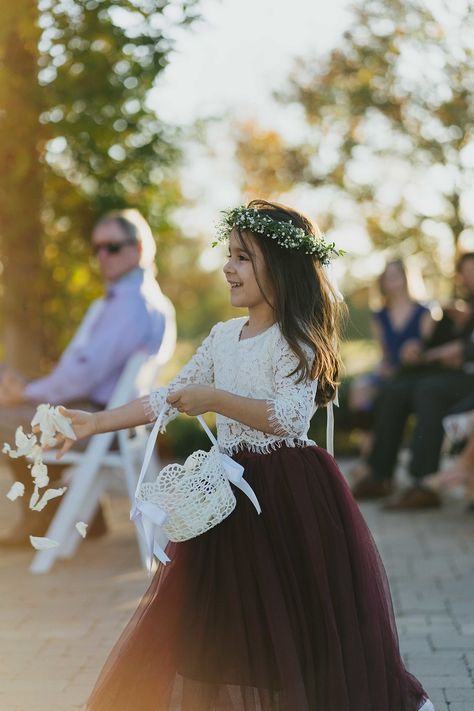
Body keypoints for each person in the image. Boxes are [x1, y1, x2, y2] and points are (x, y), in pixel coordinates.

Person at [53, 201, 433, 711]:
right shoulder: (221, 337)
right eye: (228, 255)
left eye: (242, 258)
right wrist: (97, 422)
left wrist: (215, 400)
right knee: (221, 627)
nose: (228, 268)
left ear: (279, 266)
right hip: (228, 497)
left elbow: (289, 418)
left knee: (297, 623)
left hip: (286, 495)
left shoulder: (295, 340)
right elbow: (169, 395)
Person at [0, 209, 176, 545]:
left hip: (96, 421)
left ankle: (41, 517)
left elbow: (84, 375)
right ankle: (81, 513)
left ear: (138, 248)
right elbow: (82, 371)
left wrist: (26, 393)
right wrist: (27, 389)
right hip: (108, 416)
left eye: (111, 247)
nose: (101, 256)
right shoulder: (150, 299)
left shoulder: (131, 304)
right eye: (96, 249)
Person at [353, 252, 474, 509]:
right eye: (465, 272)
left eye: (471, 271)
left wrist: (462, 349)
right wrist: (421, 351)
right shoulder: (463, 305)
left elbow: (462, 348)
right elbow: (439, 345)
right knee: (394, 390)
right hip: (452, 372)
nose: (467, 277)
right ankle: (380, 475)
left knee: (428, 390)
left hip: (467, 377)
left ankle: (423, 482)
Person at [348, 259, 433, 483]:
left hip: (415, 372)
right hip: (390, 371)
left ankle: (374, 463)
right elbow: (384, 355)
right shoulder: (380, 315)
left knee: (386, 394)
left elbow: (426, 352)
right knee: (360, 390)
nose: (392, 280)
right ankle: (367, 456)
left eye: (397, 275)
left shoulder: (425, 312)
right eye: (387, 276)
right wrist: (383, 368)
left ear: (408, 278)